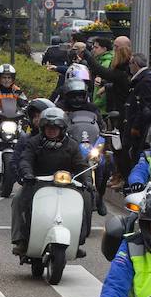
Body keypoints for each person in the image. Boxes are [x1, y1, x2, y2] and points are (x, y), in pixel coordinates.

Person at [11, 107, 95, 255]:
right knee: (18, 199)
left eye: (55, 127)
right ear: (43, 128)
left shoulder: (72, 145)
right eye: (48, 127)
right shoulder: (33, 143)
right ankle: (21, 240)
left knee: (87, 199)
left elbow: (82, 165)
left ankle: (78, 241)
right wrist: (27, 174)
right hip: (37, 183)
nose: (51, 130)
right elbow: (26, 160)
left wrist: (87, 180)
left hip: (67, 185)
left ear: (62, 128)